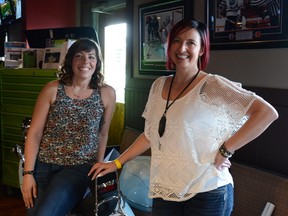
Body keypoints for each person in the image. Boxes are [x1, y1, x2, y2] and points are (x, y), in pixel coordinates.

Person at [88, 19, 278, 216]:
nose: (182, 48)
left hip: (207, 190)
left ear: (202, 50)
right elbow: (150, 135)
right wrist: (116, 163)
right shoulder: (159, 85)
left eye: (191, 43)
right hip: (166, 188)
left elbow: (266, 113)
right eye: (176, 41)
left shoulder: (211, 85)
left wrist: (226, 149)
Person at [21, 38, 116, 215]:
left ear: (98, 62)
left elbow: (103, 133)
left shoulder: (107, 93)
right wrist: (28, 173)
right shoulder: (52, 89)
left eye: (91, 57)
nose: (85, 62)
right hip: (44, 165)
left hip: (79, 166)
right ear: (70, 60)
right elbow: (34, 133)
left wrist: (98, 166)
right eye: (79, 56)